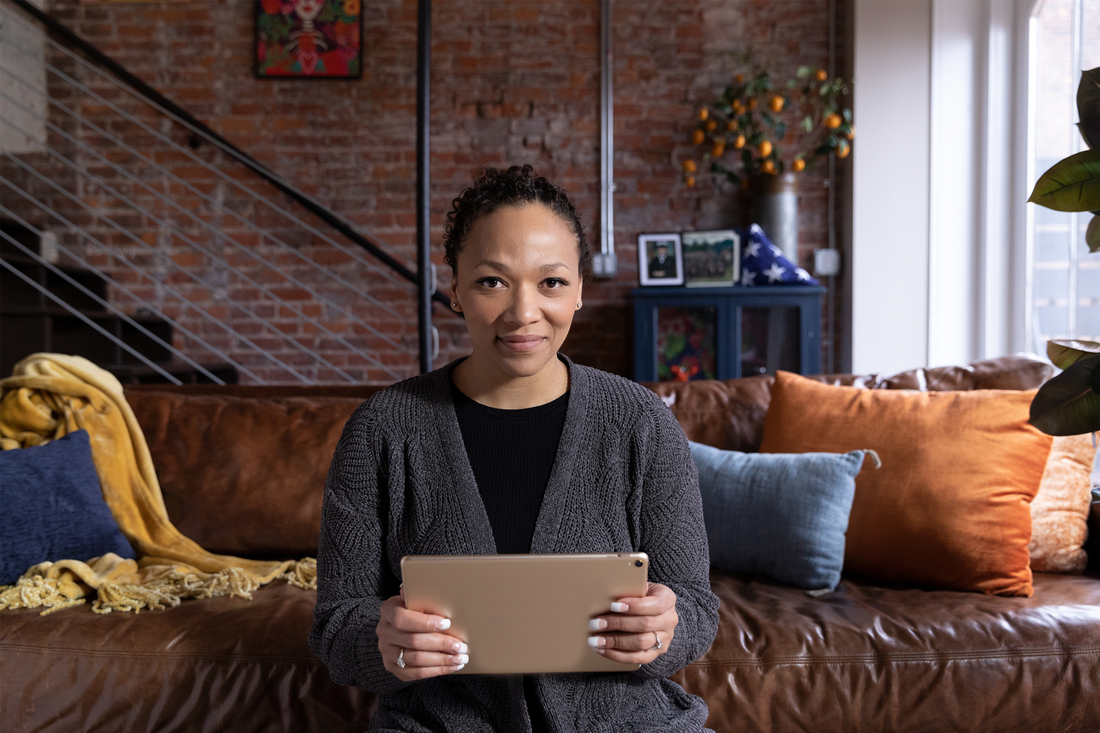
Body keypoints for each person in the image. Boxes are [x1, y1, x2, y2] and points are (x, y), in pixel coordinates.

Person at [309, 165, 720, 732]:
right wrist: (381, 642)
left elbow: (697, 606)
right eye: (491, 281)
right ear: (454, 288)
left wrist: (664, 630)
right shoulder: (381, 429)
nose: (523, 312)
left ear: (579, 289)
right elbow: (335, 624)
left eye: (550, 282)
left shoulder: (641, 422)